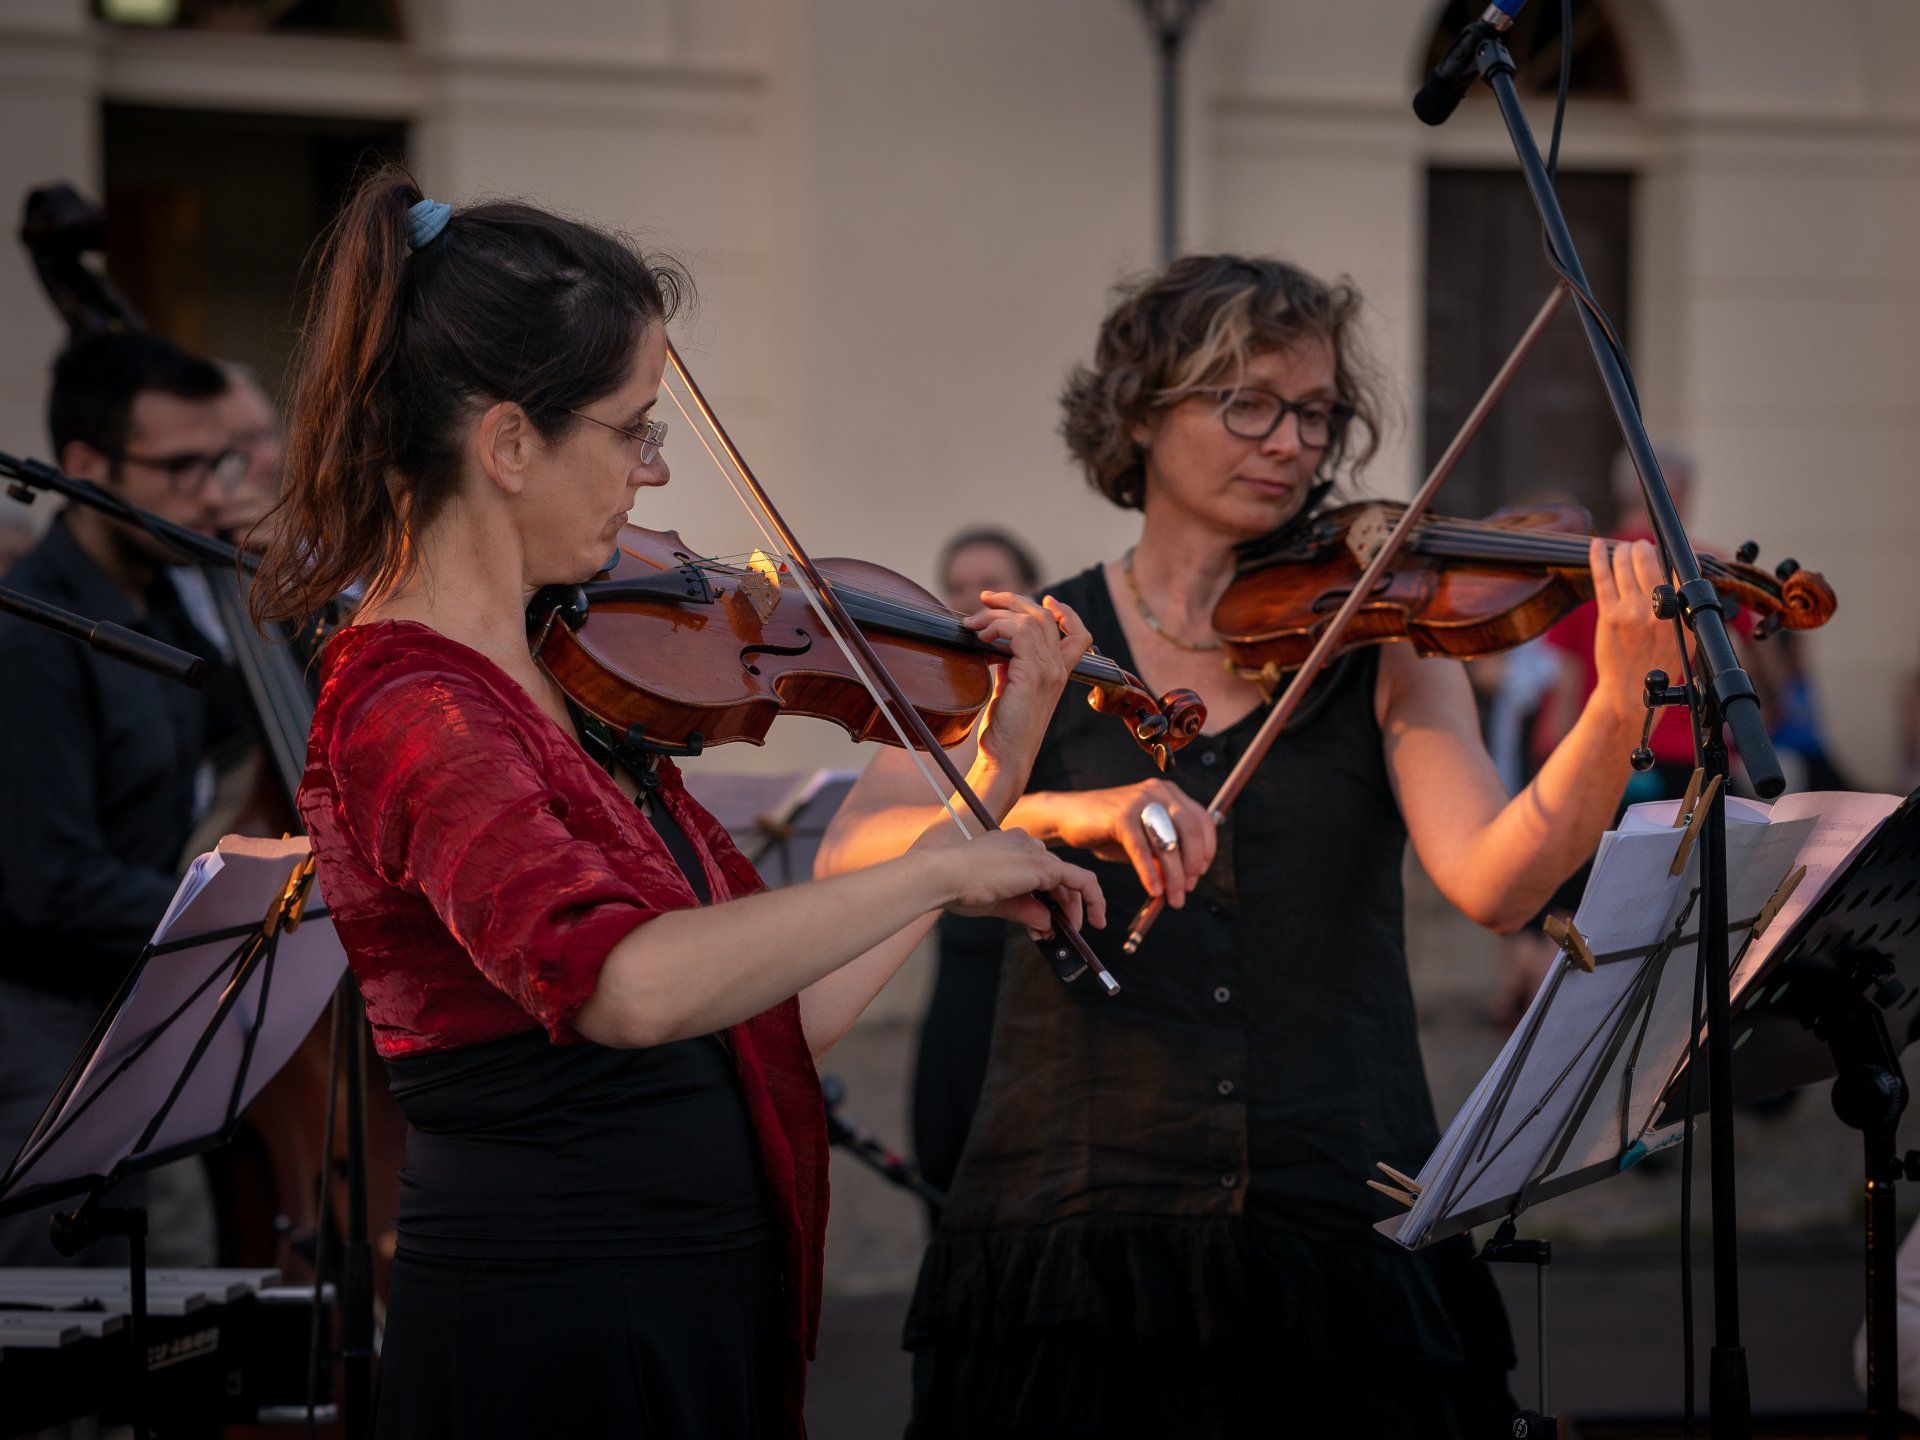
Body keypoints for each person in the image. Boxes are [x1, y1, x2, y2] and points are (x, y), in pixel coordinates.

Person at [248, 167, 1105, 1440]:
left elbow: (778, 1017)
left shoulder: (560, 688)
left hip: (680, 1314)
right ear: (507, 443)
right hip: (559, 1340)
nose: (651, 474)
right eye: (633, 427)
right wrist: (937, 875)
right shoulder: (408, 707)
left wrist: (994, 774)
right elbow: (629, 985)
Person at [818, 254, 1674, 1439]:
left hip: (1339, 1217)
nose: (1289, 442)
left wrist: (1618, 707)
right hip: (1080, 1226)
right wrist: (1059, 813)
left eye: (1315, 412)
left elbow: (1493, 877)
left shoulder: (1385, 638)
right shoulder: (1032, 647)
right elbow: (858, 855)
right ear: (1141, 415)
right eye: (1248, 403)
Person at [0, 331, 248, 1266]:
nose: (210, 492)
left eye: (216, 460)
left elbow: (245, 722)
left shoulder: (158, 597)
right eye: (180, 467)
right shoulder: (37, 633)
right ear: (82, 467)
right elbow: (50, 882)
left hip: (129, 1011)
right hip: (46, 1037)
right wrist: (239, 915)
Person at [914, 528, 1043, 1218]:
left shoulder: (1060, 705)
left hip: (1037, 966)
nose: (970, 602)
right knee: (947, 1154)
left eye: (989, 586)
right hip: (960, 968)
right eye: (958, 587)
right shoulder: (940, 705)